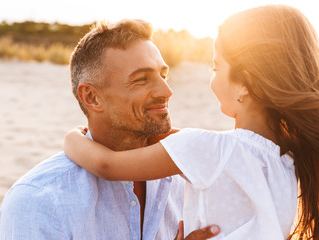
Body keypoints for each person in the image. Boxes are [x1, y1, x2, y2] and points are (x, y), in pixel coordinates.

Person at [64, 4, 319, 240]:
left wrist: (73, 136)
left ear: (244, 84)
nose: (213, 77)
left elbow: (107, 165)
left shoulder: (210, 150)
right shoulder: (289, 158)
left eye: (215, 67)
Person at [0, 19, 220, 239]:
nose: (166, 90)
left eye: (163, 75)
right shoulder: (37, 202)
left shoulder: (189, 179)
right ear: (91, 97)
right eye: (141, 79)